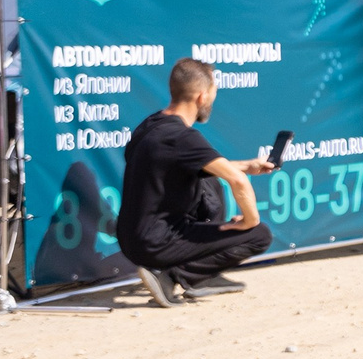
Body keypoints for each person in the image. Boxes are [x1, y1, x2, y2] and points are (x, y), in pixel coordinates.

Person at [118, 56, 277, 305]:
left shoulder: (150, 126)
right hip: (157, 243)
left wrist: (248, 166)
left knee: (208, 179)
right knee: (260, 234)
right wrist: (249, 221)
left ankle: (201, 275)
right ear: (202, 97)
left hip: (131, 238)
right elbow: (237, 182)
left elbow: (207, 168)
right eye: (213, 94)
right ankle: (172, 275)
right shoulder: (182, 137)